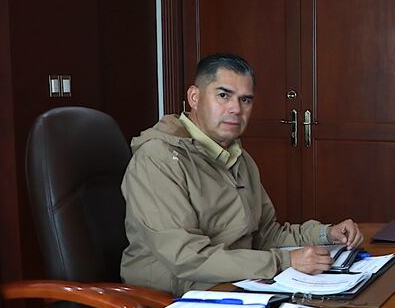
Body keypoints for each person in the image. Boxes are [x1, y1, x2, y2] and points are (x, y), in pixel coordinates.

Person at [121, 53, 363, 295]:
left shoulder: (238, 157)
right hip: (172, 302)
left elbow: (265, 234)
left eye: (245, 100)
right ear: (194, 97)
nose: (236, 109)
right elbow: (186, 257)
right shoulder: (158, 159)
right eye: (223, 95)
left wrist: (326, 234)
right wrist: (284, 262)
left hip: (234, 285)